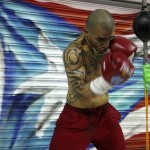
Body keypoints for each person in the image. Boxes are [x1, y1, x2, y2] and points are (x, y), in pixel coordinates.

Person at [49, 9, 137, 150]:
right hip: (76, 117)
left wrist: (125, 69)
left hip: (104, 115)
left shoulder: (111, 44)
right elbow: (81, 92)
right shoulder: (74, 53)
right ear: (86, 32)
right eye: (101, 39)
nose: (106, 45)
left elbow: (124, 69)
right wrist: (108, 81)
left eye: (110, 38)